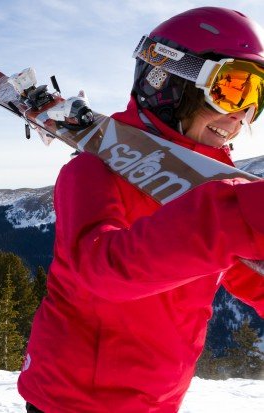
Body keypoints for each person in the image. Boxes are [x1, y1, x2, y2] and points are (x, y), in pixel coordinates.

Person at [17, 7, 264, 413]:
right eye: (233, 89)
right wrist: (235, 214)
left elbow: (243, 266)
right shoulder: (93, 170)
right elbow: (101, 269)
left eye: (257, 98)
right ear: (167, 79)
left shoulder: (214, 187)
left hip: (159, 400)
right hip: (75, 400)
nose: (243, 114)